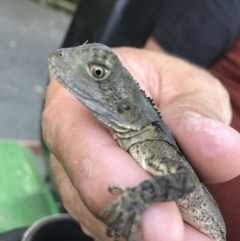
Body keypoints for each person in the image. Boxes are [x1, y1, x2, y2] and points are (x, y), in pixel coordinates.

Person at [42, 1, 240, 240]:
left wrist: (139, 197)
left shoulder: (149, 145)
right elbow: (160, 62)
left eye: (98, 73)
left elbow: (184, 181)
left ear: (123, 104)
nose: (63, 56)